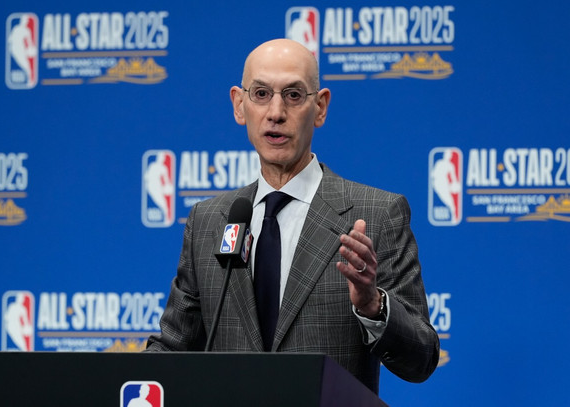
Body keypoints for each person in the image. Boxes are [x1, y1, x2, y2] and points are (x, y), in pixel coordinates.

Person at [146, 38, 439, 394]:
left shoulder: (376, 215)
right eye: (261, 94)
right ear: (239, 105)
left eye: (294, 95)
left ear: (320, 107)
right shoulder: (209, 221)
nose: (276, 112)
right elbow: (171, 349)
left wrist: (373, 306)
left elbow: (421, 360)